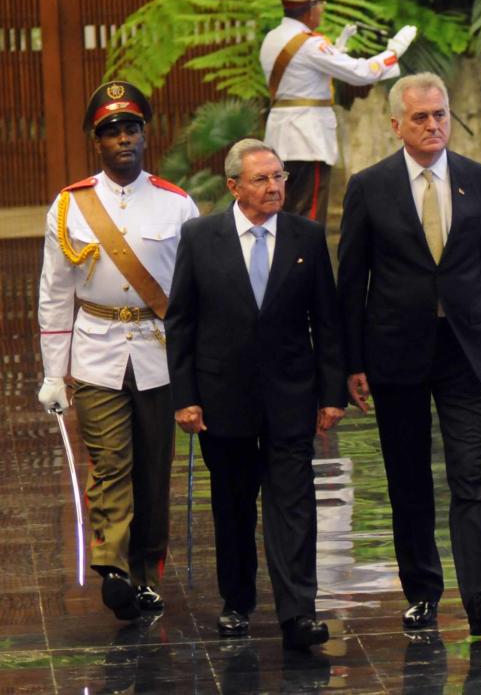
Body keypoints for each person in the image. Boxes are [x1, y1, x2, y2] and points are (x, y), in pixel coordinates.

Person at [336, 72, 481, 636]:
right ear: (396, 125)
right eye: (421, 118)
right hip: (396, 351)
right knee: (407, 476)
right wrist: (352, 362)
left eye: (440, 115)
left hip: (466, 349)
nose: (434, 125)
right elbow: (352, 279)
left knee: (471, 472)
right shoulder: (370, 186)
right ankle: (422, 591)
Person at [164, 138, 352, 650]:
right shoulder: (201, 237)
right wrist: (185, 396)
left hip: (291, 397)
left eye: (279, 177)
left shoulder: (306, 236)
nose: (274, 187)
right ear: (233, 186)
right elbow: (181, 322)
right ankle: (237, 603)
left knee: (294, 506)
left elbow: (327, 321)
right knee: (233, 506)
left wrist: (332, 392)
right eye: (262, 179)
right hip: (222, 400)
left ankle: (298, 612)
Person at [37, 80, 199, 621]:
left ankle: (146, 569)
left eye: (131, 128)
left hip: (158, 352)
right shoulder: (71, 205)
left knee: (154, 469)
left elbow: (197, 289)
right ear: (97, 142)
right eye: (111, 132)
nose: (123, 139)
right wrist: (54, 375)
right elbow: (56, 292)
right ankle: (111, 564)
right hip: (97, 351)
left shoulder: (177, 204)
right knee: (110, 463)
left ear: (144, 135)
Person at [260, 0, 417, 224]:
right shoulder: (311, 44)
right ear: (309, 10)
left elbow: (301, 75)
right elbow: (362, 73)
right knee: (308, 215)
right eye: (320, 4)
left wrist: (338, 48)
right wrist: (394, 51)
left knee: (283, 212)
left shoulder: (272, 38)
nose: (322, 10)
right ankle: (305, 263)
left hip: (280, 137)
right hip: (307, 139)